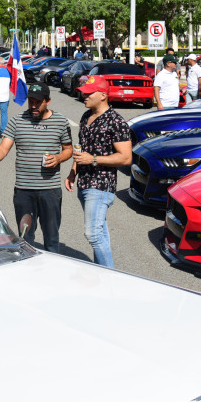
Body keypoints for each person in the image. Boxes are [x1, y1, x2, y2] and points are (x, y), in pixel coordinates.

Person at [0, 83, 72, 253]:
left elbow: (68, 150)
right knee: (25, 238)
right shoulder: (17, 121)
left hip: (50, 190)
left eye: (38, 102)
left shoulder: (61, 121)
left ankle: (51, 274)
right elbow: (3, 148)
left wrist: (58, 158)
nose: (33, 106)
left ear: (48, 101)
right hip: (24, 191)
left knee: (52, 238)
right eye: (31, 101)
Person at [65, 76, 131, 268]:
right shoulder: (86, 116)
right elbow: (81, 150)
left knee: (92, 233)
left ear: (103, 95)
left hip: (101, 185)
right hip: (84, 182)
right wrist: (72, 172)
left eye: (89, 92)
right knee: (99, 231)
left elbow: (126, 158)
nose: (83, 94)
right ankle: (100, 270)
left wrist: (93, 159)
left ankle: (109, 277)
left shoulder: (116, 122)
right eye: (84, 91)